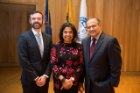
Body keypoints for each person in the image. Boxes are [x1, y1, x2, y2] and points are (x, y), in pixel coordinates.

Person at [79, 17, 122, 93]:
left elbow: (116, 64)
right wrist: (81, 81)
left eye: (93, 26)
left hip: (104, 85)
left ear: (100, 25)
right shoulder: (84, 42)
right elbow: (83, 64)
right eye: (89, 27)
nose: (91, 29)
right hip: (88, 85)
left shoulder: (110, 41)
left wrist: (113, 83)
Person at [18, 11, 52, 93]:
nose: (36, 20)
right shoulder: (23, 37)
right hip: (29, 80)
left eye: (39, 18)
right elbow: (23, 60)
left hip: (44, 80)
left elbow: (51, 58)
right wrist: (36, 78)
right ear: (30, 21)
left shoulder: (48, 37)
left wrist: (45, 76)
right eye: (33, 18)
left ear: (43, 21)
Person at [50, 22, 84, 93]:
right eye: (65, 32)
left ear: (74, 34)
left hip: (73, 82)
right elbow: (53, 64)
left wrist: (71, 79)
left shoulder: (79, 46)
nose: (68, 34)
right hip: (59, 82)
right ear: (62, 34)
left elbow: (81, 65)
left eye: (70, 32)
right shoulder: (56, 46)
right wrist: (63, 80)